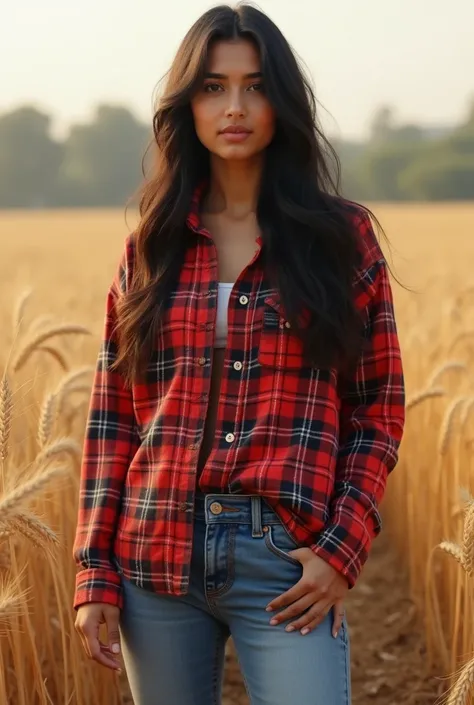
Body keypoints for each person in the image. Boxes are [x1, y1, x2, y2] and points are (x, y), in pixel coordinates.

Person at [72, 4, 405, 704]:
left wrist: (342, 548)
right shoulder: (150, 250)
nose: (235, 106)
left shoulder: (340, 242)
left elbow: (378, 411)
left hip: (285, 562)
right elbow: (112, 422)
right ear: (186, 105)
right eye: (213, 87)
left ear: (281, 102)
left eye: (254, 86)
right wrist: (93, 572)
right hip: (154, 556)